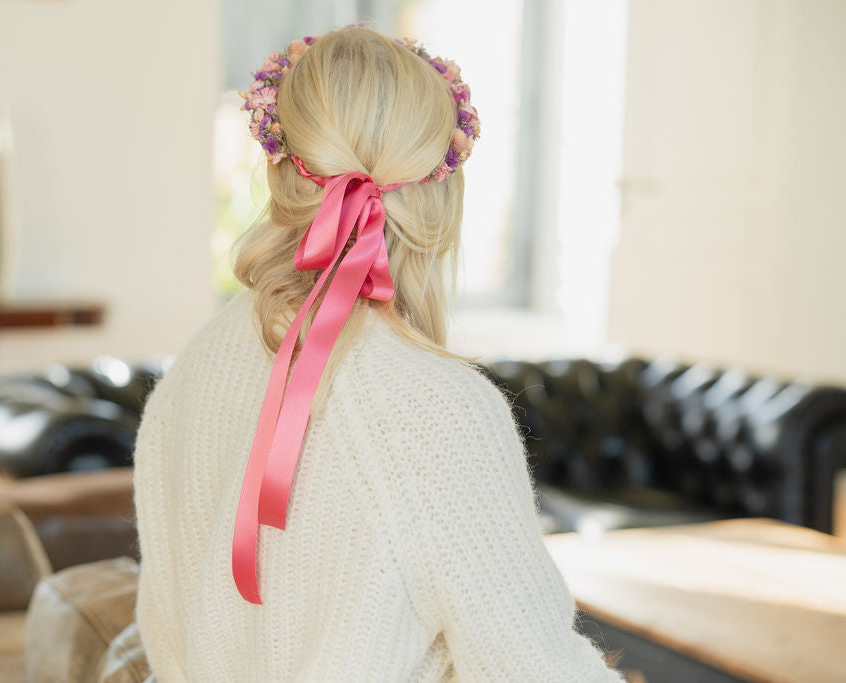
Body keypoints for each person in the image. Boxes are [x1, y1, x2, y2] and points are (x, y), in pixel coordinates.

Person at [133, 24, 628, 682]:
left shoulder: (192, 370)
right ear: (440, 200)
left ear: (281, 172)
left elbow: (166, 639)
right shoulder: (441, 413)